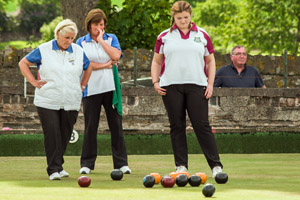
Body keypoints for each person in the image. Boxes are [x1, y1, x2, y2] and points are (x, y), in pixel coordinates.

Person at [151, 1, 223, 178]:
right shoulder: (164, 36)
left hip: (197, 85)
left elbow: (211, 61)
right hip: (170, 86)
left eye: (185, 17)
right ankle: (181, 166)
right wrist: (155, 82)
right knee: (177, 126)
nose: (182, 21)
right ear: (173, 18)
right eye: (179, 18)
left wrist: (210, 84)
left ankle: (216, 167)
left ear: (190, 16)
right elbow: (156, 61)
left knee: (202, 125)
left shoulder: (202, 35)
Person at [19, 19, 92, 180]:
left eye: (72, 38)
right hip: (47, 99)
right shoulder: (44, 49)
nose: (69, 41)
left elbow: (89, 67)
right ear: (58, 34)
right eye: (67, 37)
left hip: (71, 100)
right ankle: (53, 170)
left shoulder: (78, 51)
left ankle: (58, 165)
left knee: (65, 134)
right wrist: (33, 81)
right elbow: (23, 63)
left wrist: (83, 84)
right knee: (52, 134)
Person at [76, 9, 131, 174]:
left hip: (110, 89)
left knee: (116, 126)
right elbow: (84, 64)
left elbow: (116, 55)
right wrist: (105, 65)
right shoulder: (81, 42)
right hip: (90, 89)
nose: (98, 28)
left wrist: (101, 41)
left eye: (101, 25)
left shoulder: (110, 38)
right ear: (89, 25)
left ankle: (121, 164)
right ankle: (87, 164)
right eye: (95, 24)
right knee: (90, 127)